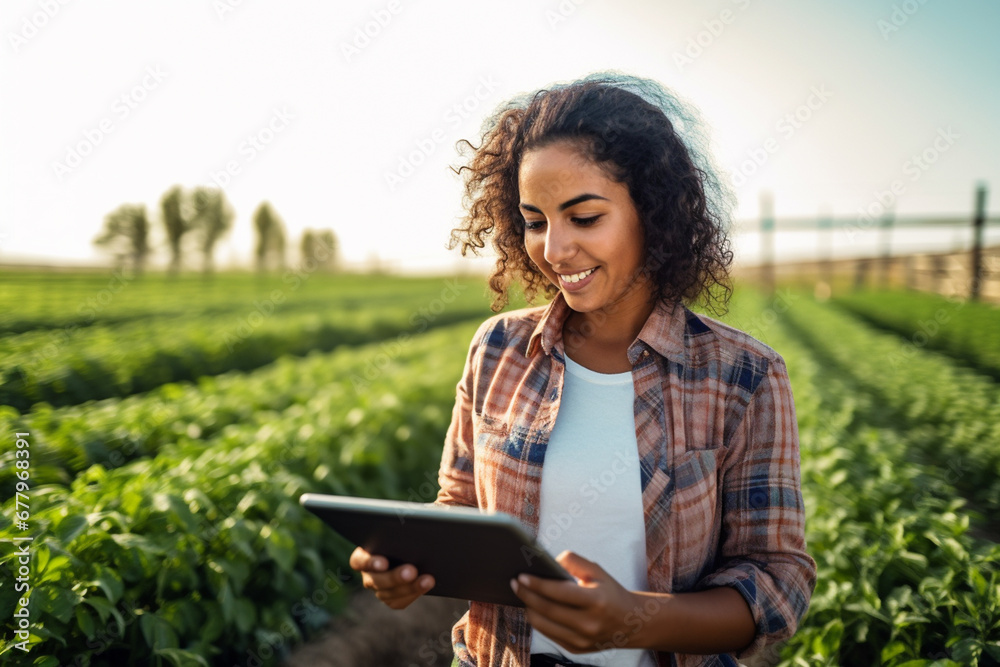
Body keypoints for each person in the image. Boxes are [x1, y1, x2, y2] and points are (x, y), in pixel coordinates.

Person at [348, 71, 816, 667]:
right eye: (536, 221)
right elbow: (460, 503)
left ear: (653, 212)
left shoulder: (743, 377)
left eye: (585, 217)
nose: (555, 249)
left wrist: (636, 621)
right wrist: (407, 560)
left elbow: (778, 580)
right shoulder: (497, 348)